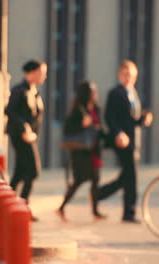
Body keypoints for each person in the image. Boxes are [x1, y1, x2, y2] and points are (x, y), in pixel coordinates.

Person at [97, 60, 153, 223]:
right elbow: (110, 117)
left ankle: (98, 194)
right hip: (122, 140)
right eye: (126, 74)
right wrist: (118, 133)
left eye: (132, 74)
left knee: (126, 176)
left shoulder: (133, 93)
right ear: (120, 75)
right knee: (131, 176)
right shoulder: (115, 93)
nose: (129, 77)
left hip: (134, 140)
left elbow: (132, 119)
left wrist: (144, 118)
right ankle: (129, 212)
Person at [56, 81, 106, 222]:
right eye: (92, 91)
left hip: (94, 150)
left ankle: (95, 211)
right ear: (86, 94)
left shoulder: (96, 109)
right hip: (80, 152)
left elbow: (99, 128)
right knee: (79, 180)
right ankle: (61, 207)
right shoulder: (77, 110)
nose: (95, 94)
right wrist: (81, 124)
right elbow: (68, 130)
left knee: (95, 179)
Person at [5, 59, 47, 221]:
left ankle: (10, 207)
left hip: (31, 138)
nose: (44, 76)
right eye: (42, 72)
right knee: (34, 170)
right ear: (32, 72)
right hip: (21, 137)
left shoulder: (35, 91)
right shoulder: (19, 90)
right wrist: (24, 127)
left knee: (20, 173)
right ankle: (22, 207)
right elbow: (9, 110)